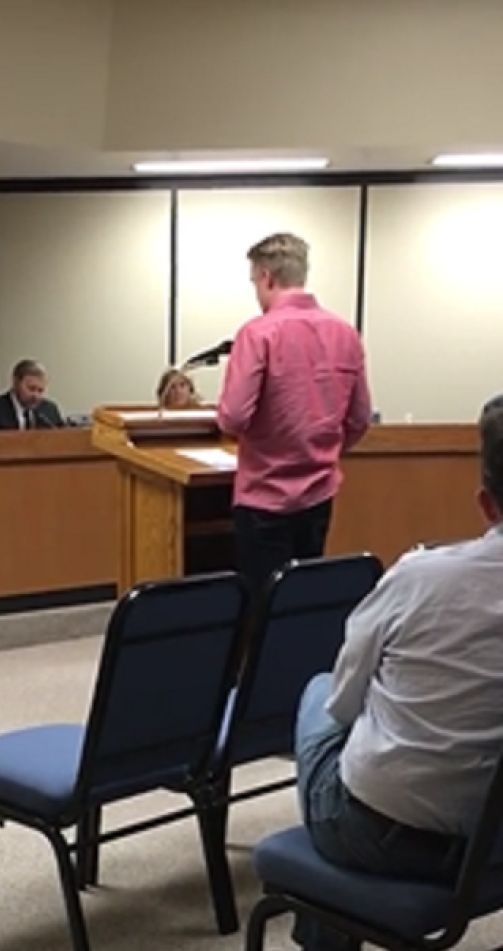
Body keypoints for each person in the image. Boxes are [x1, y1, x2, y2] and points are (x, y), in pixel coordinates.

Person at [292, 395, 503, 951]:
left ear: (486, 503)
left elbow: (344, 700)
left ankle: (324, 920)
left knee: (320, 696)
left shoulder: (420, 578)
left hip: (388, 835)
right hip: (496, 838)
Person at [217, 232, 371, 594]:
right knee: (302, 598)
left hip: (264, 496)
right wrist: (320, 452)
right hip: (320, 493)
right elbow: (359, 419)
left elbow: (234, 416)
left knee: (261, 602)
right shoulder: (345, 333)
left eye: (255, 281)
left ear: (267, 277)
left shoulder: (257, 334)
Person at [0, 359, 64, 430]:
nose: (36, 396)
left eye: (40, 391)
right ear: (16, 383)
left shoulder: (50, 411)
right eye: (31, 389)